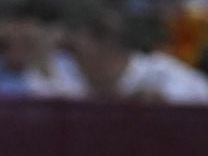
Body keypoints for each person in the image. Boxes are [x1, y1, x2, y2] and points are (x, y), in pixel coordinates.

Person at [65, 10, 208, 102]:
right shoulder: (68, 81)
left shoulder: (163, 76)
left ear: (109, 45)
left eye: (75, 51)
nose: (72, 60)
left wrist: (166, 107)